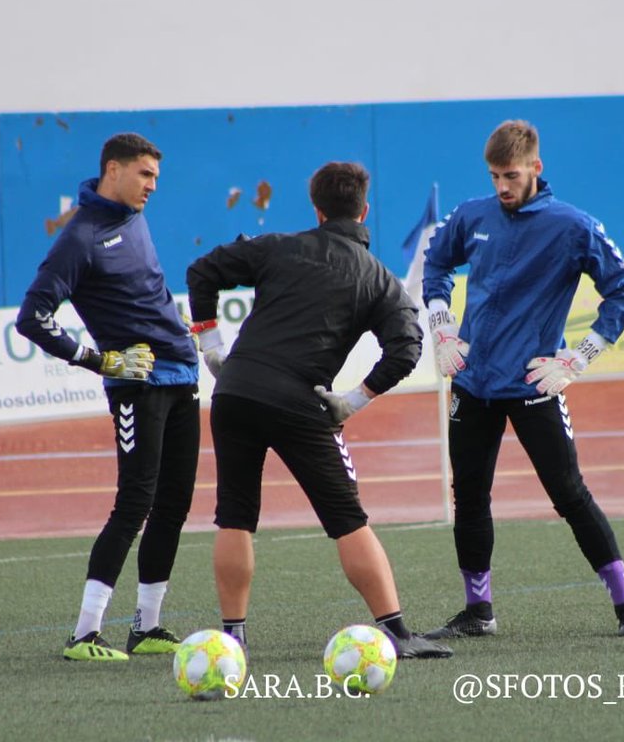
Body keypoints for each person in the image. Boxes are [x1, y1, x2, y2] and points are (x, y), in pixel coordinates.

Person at [185, 161, 452, 660]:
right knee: (347, 518)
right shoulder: (378, 278)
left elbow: (202, 271)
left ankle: (233, 637)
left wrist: (213, 346)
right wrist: (353, 400)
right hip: (300, 401)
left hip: (236, 392)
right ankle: (395, 631)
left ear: (317, 208)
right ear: (364, 210)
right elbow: (407, 349)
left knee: (235, 516)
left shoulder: (280, 245)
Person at [421, 119, 624, 639]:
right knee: (470, 498)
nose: (502, 186)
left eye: (511, 175)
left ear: (536, 168)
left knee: (569, 495)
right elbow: (436, 265)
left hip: (534, 387)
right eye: (494, 175)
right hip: (473, 383)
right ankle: (479, 612)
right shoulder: (472, 215)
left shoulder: (574, 227)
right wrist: (441, 326)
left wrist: (579, 359)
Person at [16, 132, 201, 661]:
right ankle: (84, 634)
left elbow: (151, 286)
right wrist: (99, 360)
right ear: (113, 170)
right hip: (136, 390)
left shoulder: (135, 219)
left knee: (174, 506)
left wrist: (176, 319)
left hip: (182, 378)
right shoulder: (79, 239)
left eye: (156, 178)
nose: (152, 187)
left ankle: (146, 628)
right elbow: (33, 318)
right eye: (145, 175)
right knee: (134, 504)